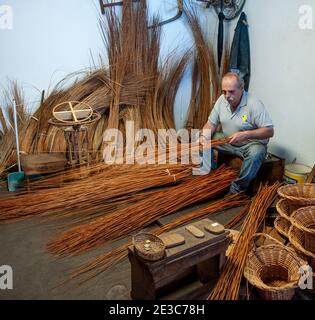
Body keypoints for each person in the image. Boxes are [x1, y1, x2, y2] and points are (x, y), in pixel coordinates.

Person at [194, 72, 274, 194]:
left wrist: (245, 134)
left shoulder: (254, 103)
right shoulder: (222, 100)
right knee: (202, 136)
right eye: (224, 91)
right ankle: (210, 175)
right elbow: (211, 124)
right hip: (228, 141)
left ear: (242, 88)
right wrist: (203, 137)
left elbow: (269, 131)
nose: (227, 96)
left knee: (257, 152)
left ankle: (237, 189)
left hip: (249, 144)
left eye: (231, 91)